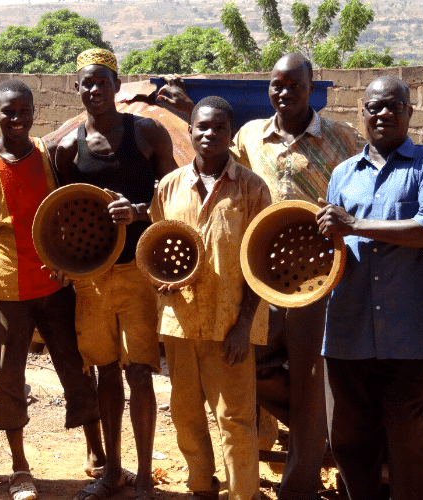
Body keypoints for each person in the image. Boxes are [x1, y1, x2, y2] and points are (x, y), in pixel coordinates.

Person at [158, 53, 365, 499]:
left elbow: (365, 183)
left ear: (312, 88)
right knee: (250, 369)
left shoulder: (341, 137)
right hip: (257, 278)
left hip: (313, 281)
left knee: (311, 386)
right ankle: (254, 446)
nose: (284, 92)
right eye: (277, 84)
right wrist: (185, 111)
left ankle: (299, 486)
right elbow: (212, 153)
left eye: (294, 84)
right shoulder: (252, 135)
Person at [316, 75, 423, 500]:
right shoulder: (343, 174)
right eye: (373, 107)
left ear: (409, 113)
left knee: (406, 441)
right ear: (362, 113)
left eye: (394, 106)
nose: (383, 113)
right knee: (349, 440)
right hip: (348, 327)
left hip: (410, 331)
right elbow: (334, 243)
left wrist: (355, 224)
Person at [0, 79, 105, 500]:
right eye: (8, 111)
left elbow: (71, 209)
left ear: (32, 113)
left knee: (77, 368)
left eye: (23, 110)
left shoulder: (50, 155)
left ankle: (96, 455)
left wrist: (69, 262)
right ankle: (20, 468)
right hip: (8, 288)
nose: (17, 118)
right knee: (9, 378)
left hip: (55, 284)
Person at [54, 48, 178, 500]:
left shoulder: (145, 134)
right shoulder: (69, 148)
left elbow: (175, 198)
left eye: (101, 83)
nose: (93, 91)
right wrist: (65, 261)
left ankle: (145, 476)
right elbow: (62, 213)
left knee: (141, 371)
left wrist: (140, 210)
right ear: (78, 89)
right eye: (86, 84)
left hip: (137, 272)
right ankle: (113, 472)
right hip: (93, 279)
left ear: (116, 85)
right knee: (105, 370)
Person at [150, 96, 271, 500]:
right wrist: (160, 280)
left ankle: (244, 495)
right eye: (201, 126)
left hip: (230, 325)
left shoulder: (252, 189)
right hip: (180, 324)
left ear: (229, 134)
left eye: (218, 127)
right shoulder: (169, 187)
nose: (209, 134)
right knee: (186, 417)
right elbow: (158, 247)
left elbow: (261, 263)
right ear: (190, 131)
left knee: (235, 419)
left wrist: (244, 327)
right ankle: (201, 486)